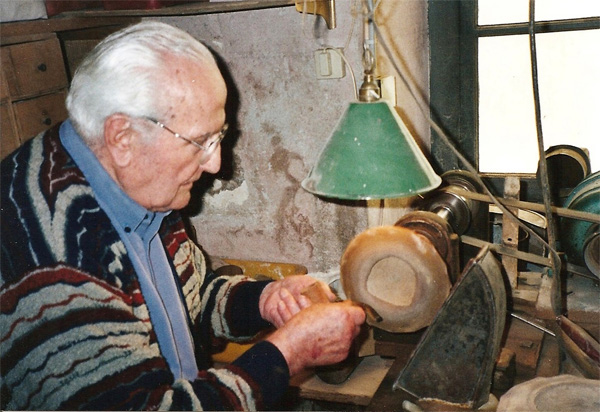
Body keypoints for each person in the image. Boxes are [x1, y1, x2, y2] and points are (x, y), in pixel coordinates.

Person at [0, 21, 365, 411]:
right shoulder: (53, 254)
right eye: (200, 142)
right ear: (123, 138)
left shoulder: (140, 183)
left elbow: (188, 297)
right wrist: (286, 355)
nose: (216, 164)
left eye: (219, 137)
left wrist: (263, 301)